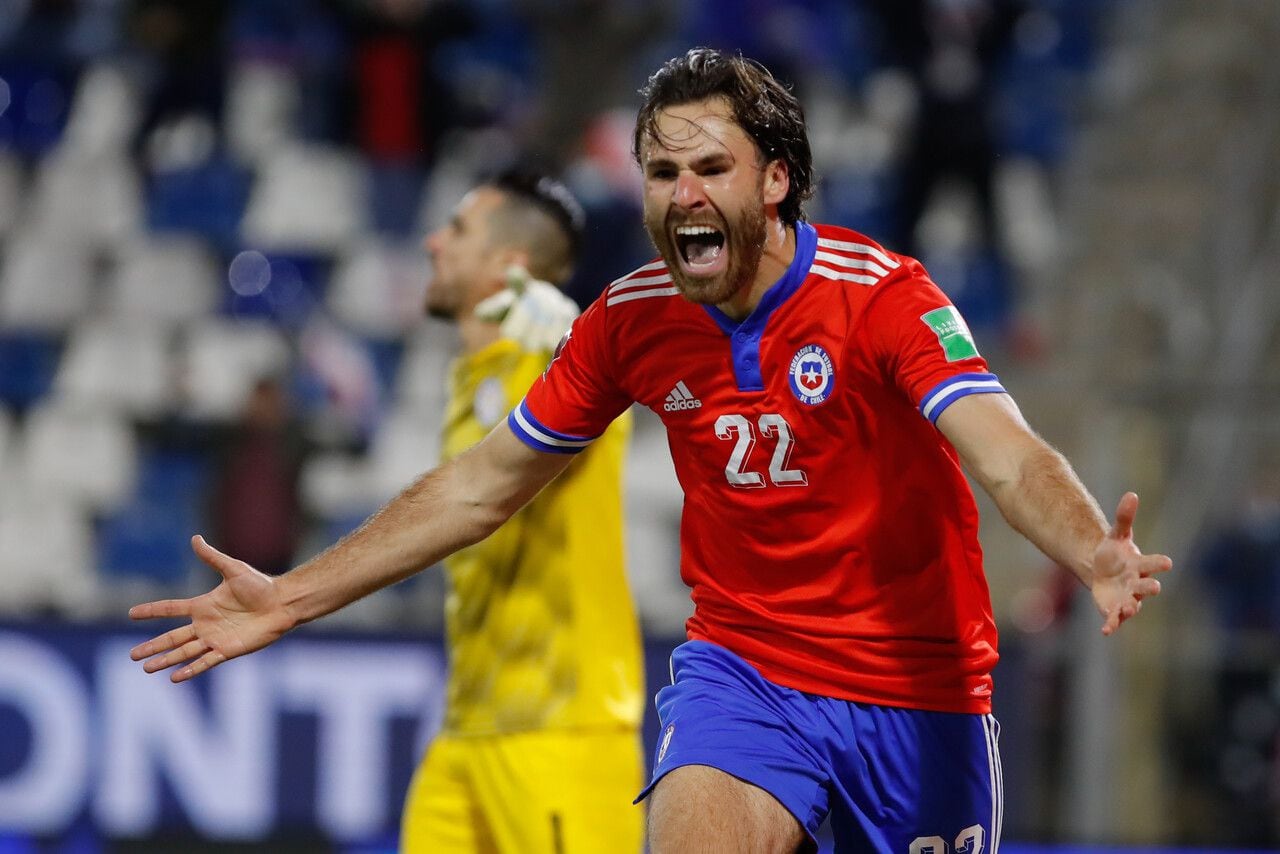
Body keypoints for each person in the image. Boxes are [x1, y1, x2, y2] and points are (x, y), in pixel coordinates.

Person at [130, 49, 1172, 853]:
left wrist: (1090, 550)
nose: (681, 193)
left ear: (773, 180)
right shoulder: (629, 320)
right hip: (745, 673)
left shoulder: (882, 298)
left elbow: (1002, 453)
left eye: (709, 167)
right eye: (660, 169)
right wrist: (290, 596)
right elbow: (481, 487)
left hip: (918, 689)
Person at [398, 170, 645, 853]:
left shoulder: (562, 362)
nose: (432, 242)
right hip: (466, 727)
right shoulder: (473, 376)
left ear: (507, 264)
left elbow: (609, 385)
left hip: (562, 733)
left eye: (456, 230)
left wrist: (575, 334)